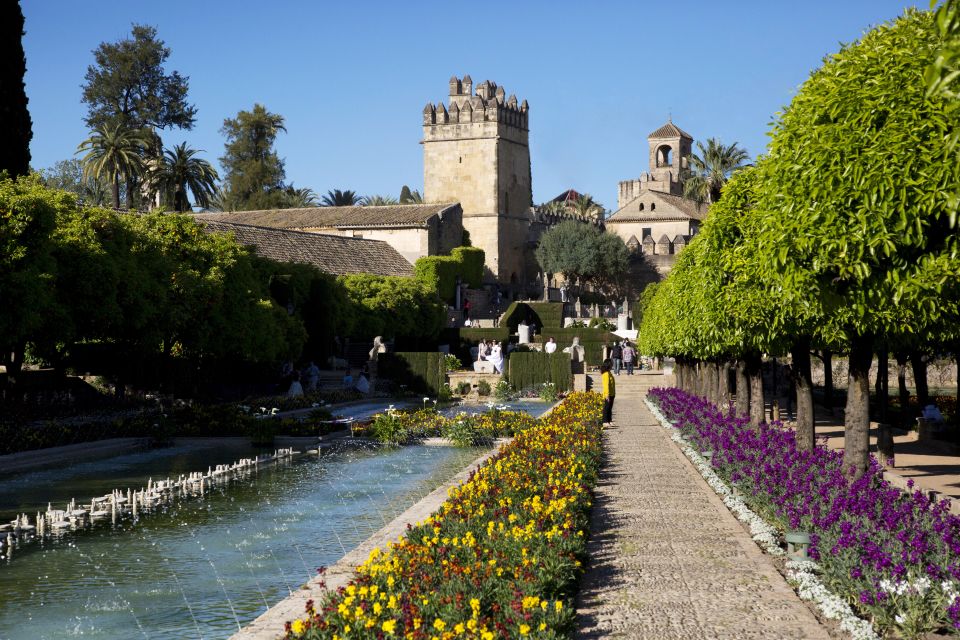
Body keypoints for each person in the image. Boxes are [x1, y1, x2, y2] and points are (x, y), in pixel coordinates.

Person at [601, 359, 616, 425]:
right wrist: (607, 394)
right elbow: (606, 384)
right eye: (611, 363)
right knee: (606, 407)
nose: (612, 365)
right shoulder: (606, 374)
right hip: (608, 394)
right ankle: (605, 421)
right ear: (608, 364)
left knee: (610, 408)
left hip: (612, 393)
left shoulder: (609, 373)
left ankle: (609, 420)